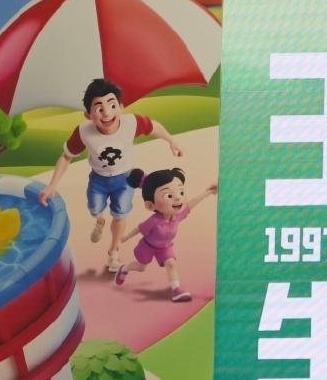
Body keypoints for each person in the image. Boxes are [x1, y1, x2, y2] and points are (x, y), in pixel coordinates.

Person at [39, 78, 183, 269]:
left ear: (121, 107)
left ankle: (113, 252)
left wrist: (171, 140)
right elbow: (66, 157)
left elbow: (153, 127)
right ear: (88, 115)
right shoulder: (83, 132)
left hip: (125, 179)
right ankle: (99, 221)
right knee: (94, 208)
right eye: (99, 108)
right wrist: (52, 185)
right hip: (98, 179)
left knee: (120, 214)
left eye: (112, 105)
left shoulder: (132, 123)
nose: (107, 113)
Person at [113, 168, 216, 303]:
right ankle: (124, 269)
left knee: (171, 264)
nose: (178, 198)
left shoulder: (177, 216)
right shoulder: (153, 221)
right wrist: (123, 238)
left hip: (165, 247)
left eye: (181, 192)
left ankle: (176, 290)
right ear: (150, 205)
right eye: (168, 196)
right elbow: (139, 229)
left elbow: (192, 203)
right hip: (147, 247)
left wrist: (208, 191)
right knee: (141, 267)